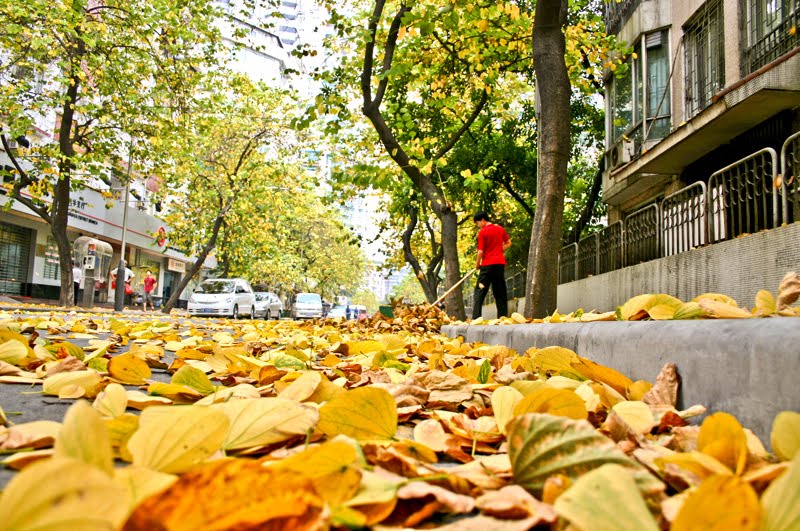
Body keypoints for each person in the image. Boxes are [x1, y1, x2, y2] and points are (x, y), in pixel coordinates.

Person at [472, 211, 512, 319]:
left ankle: (476, 318)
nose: (478, 226)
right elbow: (509, 243)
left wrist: (477, 265)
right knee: (500, 291)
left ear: (483, 220)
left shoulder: (483, 232)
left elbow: (480, 252)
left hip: (487, 266)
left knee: (480, 291)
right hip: (499, 265)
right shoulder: (500, 229)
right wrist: (499, 250)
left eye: (477, 223)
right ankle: (502, 317)